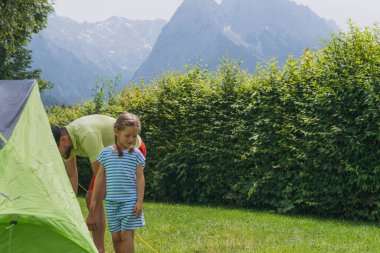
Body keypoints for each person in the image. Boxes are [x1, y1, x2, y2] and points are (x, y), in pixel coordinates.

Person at [51, 114, 146, 253]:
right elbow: (72, 176)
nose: (57, 154)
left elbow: (103, 178)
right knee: (95, 203)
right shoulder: (67, 143)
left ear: (63, 140)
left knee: (122, 225)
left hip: (131, 150)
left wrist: (94, 212)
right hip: (112, 157)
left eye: (55, 149)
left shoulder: (86, 134)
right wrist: (70, 208)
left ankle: (108, 246)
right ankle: (99, 250)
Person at [86, 113, 146, 253]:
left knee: (126, 235)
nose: (131, 139)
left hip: (129, 202)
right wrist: (94, 201)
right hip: (112, 203)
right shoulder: (105, 154)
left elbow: (140, 178)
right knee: (116, 236)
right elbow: (99, 178)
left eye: (134, 136)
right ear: (116, 131)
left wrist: (139, 201)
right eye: (128, 136)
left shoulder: (136, 154)